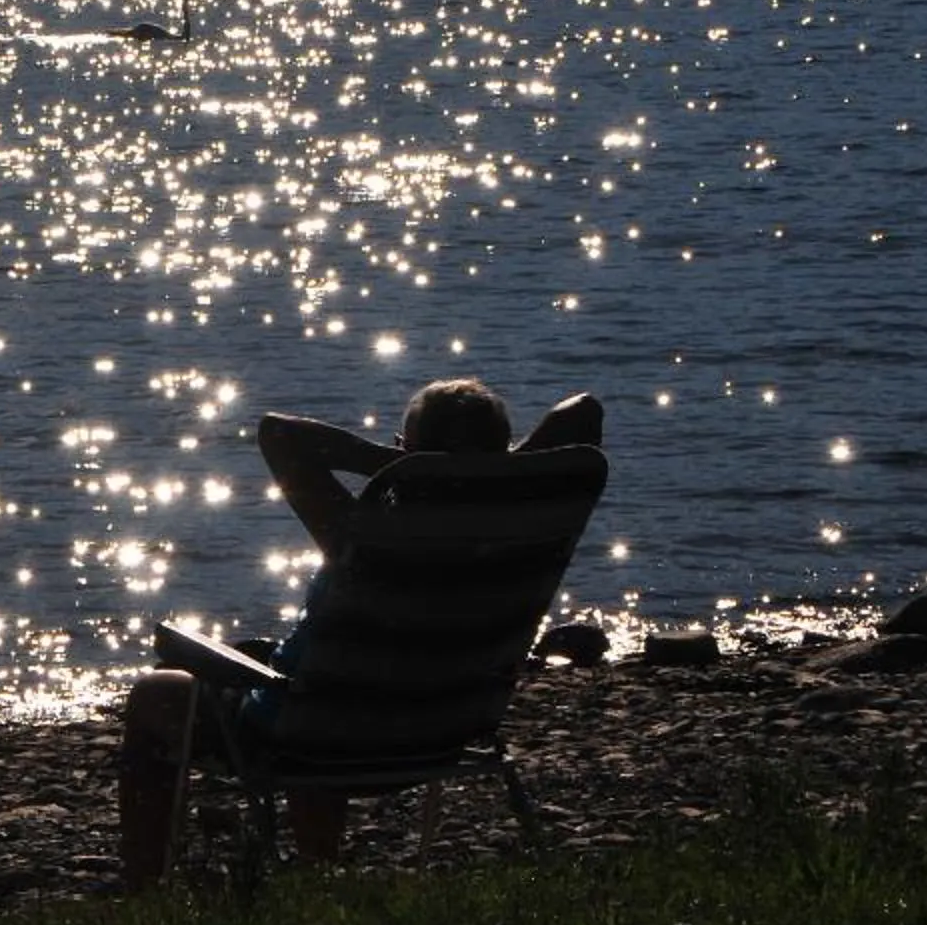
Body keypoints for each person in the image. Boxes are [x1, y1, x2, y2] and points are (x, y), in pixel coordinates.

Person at [117, 377, 604, 886]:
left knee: (160, 692)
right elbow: (583, 411)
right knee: (324, 673)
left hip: (320, 737)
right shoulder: (517, 543)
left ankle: (144, 892)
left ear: (403, 454)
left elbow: (277, 433)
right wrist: (494, 471)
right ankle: (316, 875)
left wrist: (399, 468)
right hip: (447, 727)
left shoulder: (362, 540)